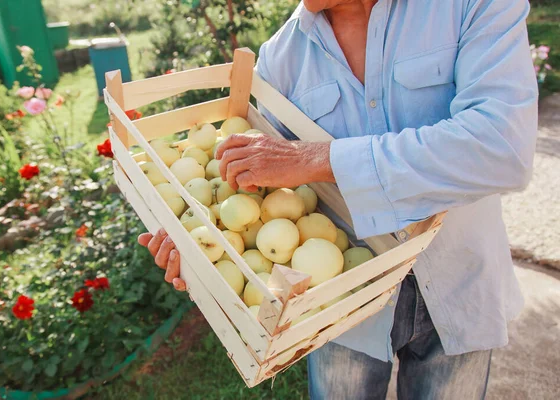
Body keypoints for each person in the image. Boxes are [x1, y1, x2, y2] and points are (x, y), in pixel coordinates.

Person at [138, 0, 538, 398]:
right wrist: (200, 249)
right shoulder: (281, 57)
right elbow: (263, 199)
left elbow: (502, 148)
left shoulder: (469, 5)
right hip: (335, 304)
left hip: (460, 283)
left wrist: (319, 158)